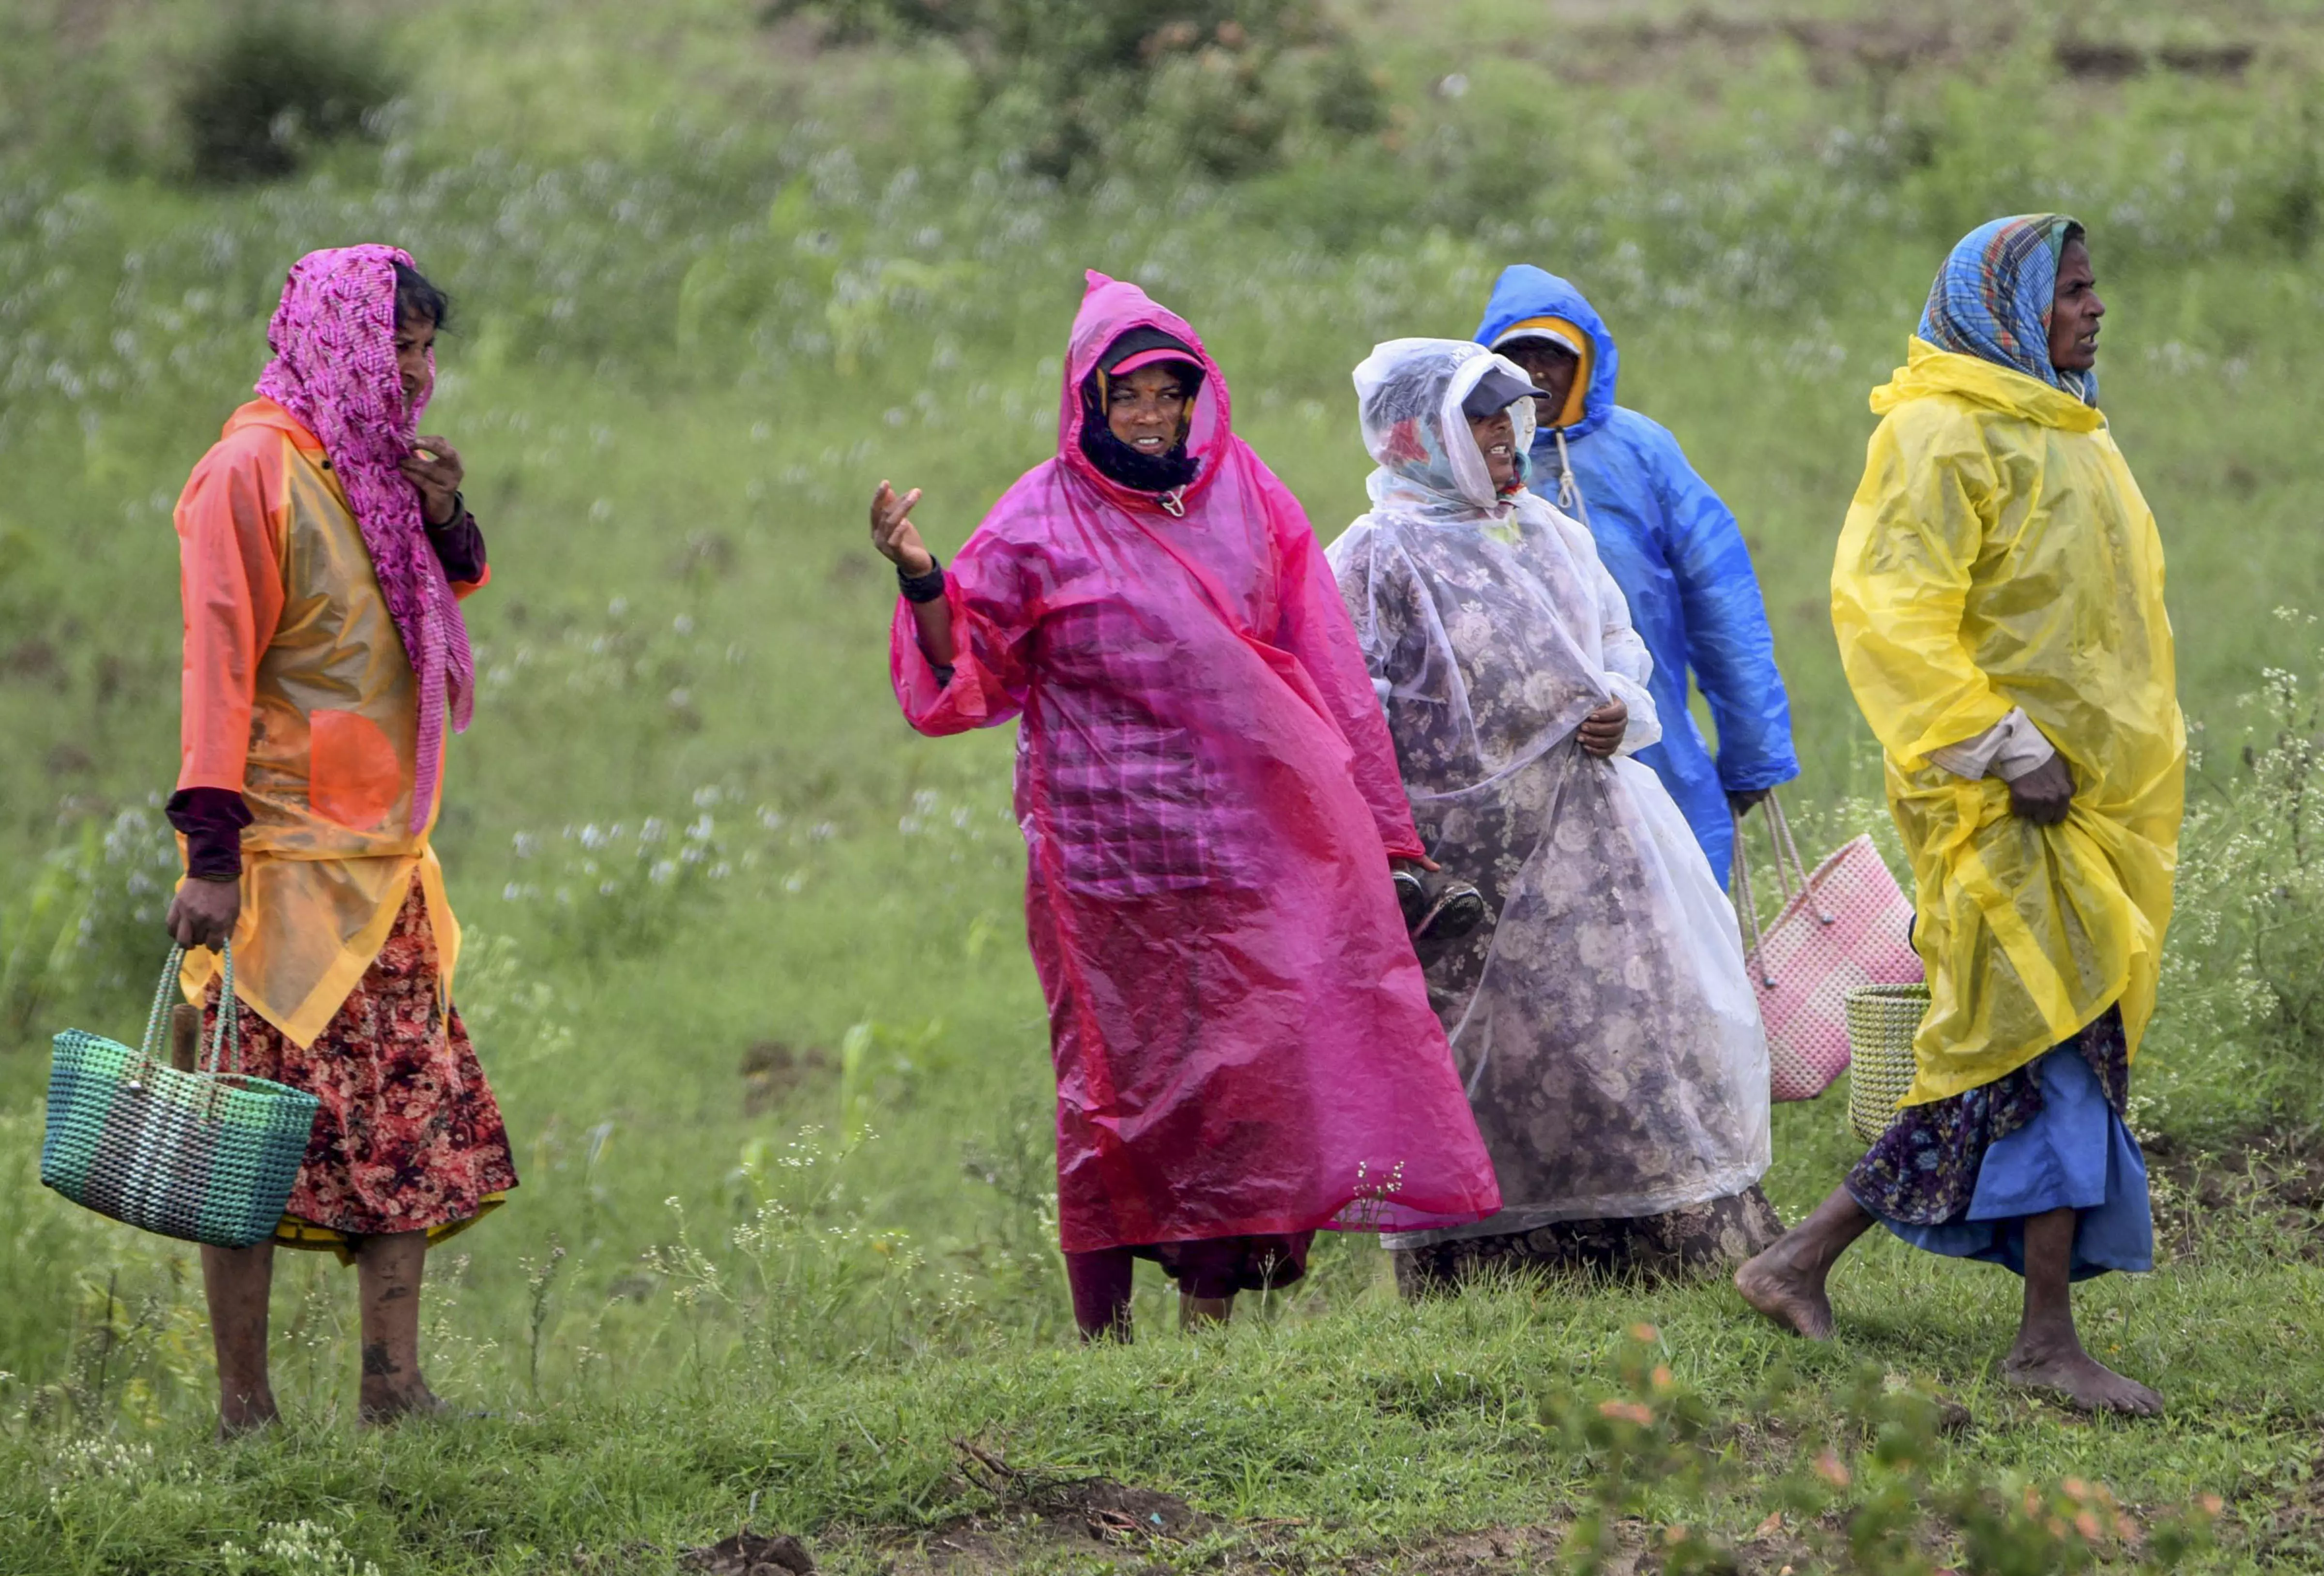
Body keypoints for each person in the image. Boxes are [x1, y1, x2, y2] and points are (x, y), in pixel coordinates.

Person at [868, 273, 1500, 1339]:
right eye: (1130, 398)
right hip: (1103, 865)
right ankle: (1103, 1335)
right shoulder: (1037, 517)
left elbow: (1326, 666)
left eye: (1171, 393)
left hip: (1244, 849)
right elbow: (967, 670)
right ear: (1089, 404)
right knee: (1110, 1088)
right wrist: (926, 580)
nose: (1154, 417)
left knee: (1247, 1079)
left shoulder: (1251, 495)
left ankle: (1210, 1320)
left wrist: (1383, 832)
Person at [1734, 216, 2183, 1416]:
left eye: (2094, 288)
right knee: (2050, 1046)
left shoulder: (2069, 428)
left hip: (2088, 803)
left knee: (2023, 1048)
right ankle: (2042, 1339)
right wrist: (2003, 740)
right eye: (2071, 291)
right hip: (1999, 797)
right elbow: (1888, 611)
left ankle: (1794, 1259)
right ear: (2006, 303)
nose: (2094, 309)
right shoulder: (1939, 434)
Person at [1326, 338, 1775, 1295]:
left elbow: (1618, 636)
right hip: (1470, 871)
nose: (1504, 437)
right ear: (1421, 433)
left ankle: (1661, 1257)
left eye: (1510, 417)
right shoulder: (1375, 555)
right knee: (1499, 1059)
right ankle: (1497, 1278)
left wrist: (1619, 695)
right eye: (1480, 418)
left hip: (1595, 851)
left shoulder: (1551, 530)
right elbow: (1349, 708)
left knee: (1636, 1035)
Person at [164, 246, 516, 1432]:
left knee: (403, 1120)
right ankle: (244, 1409)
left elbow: (429, 601)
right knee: (245, 1147)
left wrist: (445, 513)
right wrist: (213, 857)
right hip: (275, 872)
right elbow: (215, 665)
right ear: (332, 342)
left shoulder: (369, 468)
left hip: (385, 864)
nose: (412, 374)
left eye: (424, 351)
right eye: (393, 348)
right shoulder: (247, 474)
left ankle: (395, 1388)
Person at [1475, 267, 1797, 888]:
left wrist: (1753, 751)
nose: (1537, 373)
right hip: (1509, 758)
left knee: (1681, 928)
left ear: (1587, 362)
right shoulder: (1462, 458)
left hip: (1655, 741)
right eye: (1517, 357)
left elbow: (1722, 602)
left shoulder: (1642, 452)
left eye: (1554, 356)